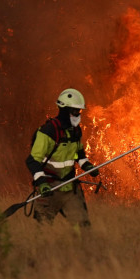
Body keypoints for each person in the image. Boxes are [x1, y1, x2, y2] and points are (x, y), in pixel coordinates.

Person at [25, 88, 97, 228]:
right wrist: (41, 182)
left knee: (82, 227)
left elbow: (79, 155)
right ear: (65, 110)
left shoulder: (76, 130)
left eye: (79, 111)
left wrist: (87, 165)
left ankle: (81, 250)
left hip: (70, 188)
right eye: (75, 111)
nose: (78, 114)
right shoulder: (48, 131)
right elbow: (33, 161)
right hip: (49, 189)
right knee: (42, 229)